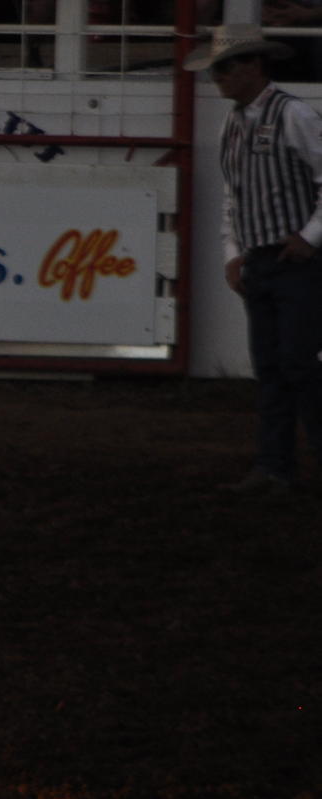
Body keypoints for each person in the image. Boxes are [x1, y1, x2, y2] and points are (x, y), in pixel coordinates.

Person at [188, 23, 322, 495]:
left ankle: (277, 466)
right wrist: (234, 252)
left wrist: (309, 237)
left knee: (295, 366)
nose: (218, 78)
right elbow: (234, 195)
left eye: (224, 67)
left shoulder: (293, 115)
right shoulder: (239, 121)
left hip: (293, 261)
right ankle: (274, 467)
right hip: (270, 259)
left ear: (253, 65)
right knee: (276, 367)